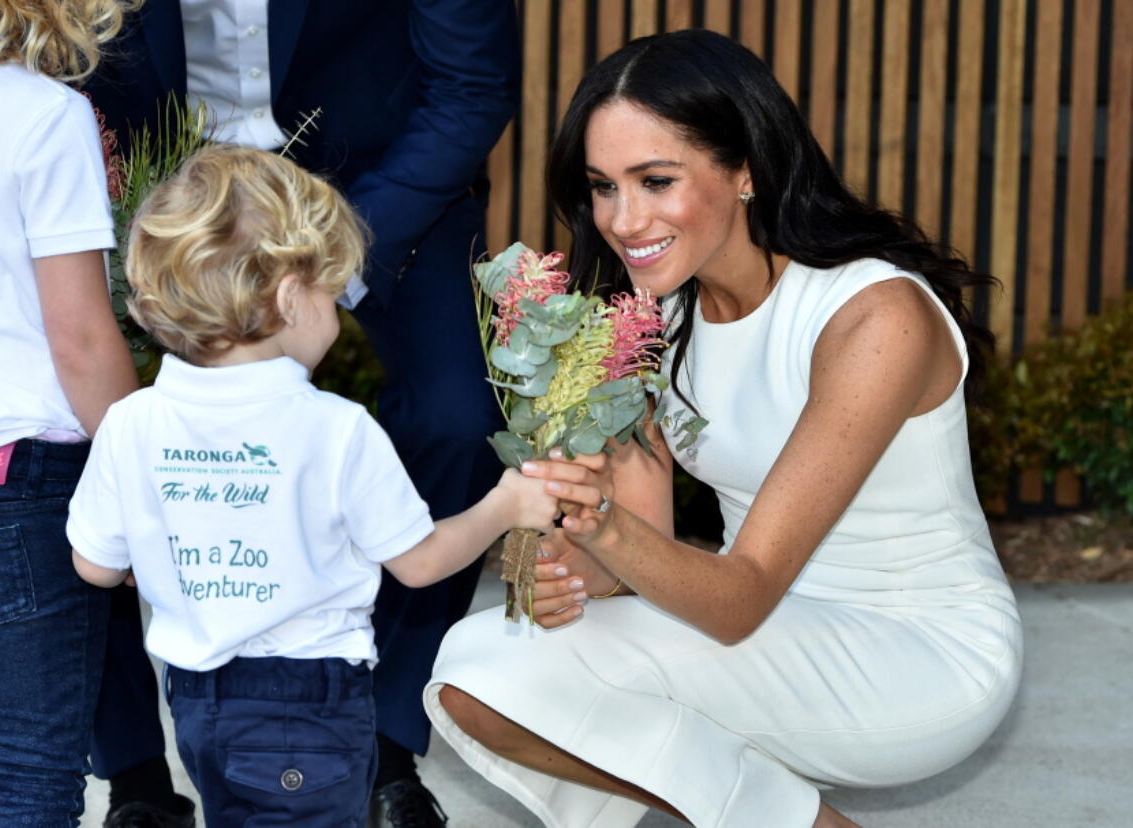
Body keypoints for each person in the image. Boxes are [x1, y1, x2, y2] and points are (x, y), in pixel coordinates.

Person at [424, 29, 1023, 828]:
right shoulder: (652, 320)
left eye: (656, 180)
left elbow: (737, 600)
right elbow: (639, 554)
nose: (622, 218)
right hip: (761, 632)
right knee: (478, 674)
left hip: (920, 659)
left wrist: (601, 527)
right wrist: (569, 568)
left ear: (744, 168)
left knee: (496, 667)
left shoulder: (874, 316)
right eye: (603, 186)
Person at [79, 5, 520, 823]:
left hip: (383, 180)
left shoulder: (148, 434)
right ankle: (136, 774)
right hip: (166, 197)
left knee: (459, 423)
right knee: (65, 425)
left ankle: (387, 742)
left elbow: (471, 85)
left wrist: (336, 259)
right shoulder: (338, 433)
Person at [0, 1, 140, 824]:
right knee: (31, 774)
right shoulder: (46, 117)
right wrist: (143, 468)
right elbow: (77, 335)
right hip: (16, 483)